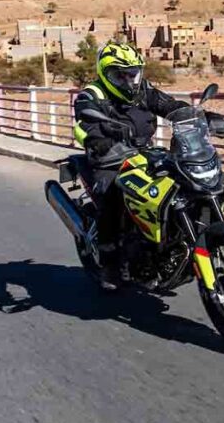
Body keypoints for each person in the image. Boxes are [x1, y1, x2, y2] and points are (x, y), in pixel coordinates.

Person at [73, 42, 191, 288]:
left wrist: (198, 116)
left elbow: (169, 105)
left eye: (132, 73)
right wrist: (99, 140)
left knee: (178, 182)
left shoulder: (143, 90)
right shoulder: (91, 95)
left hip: (142, 152)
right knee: (113, 197)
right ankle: (109, 263)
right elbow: (84, 122)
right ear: (106, 75)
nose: (128, 80)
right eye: (120, 75)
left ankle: (165, 241)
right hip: (108, 158)